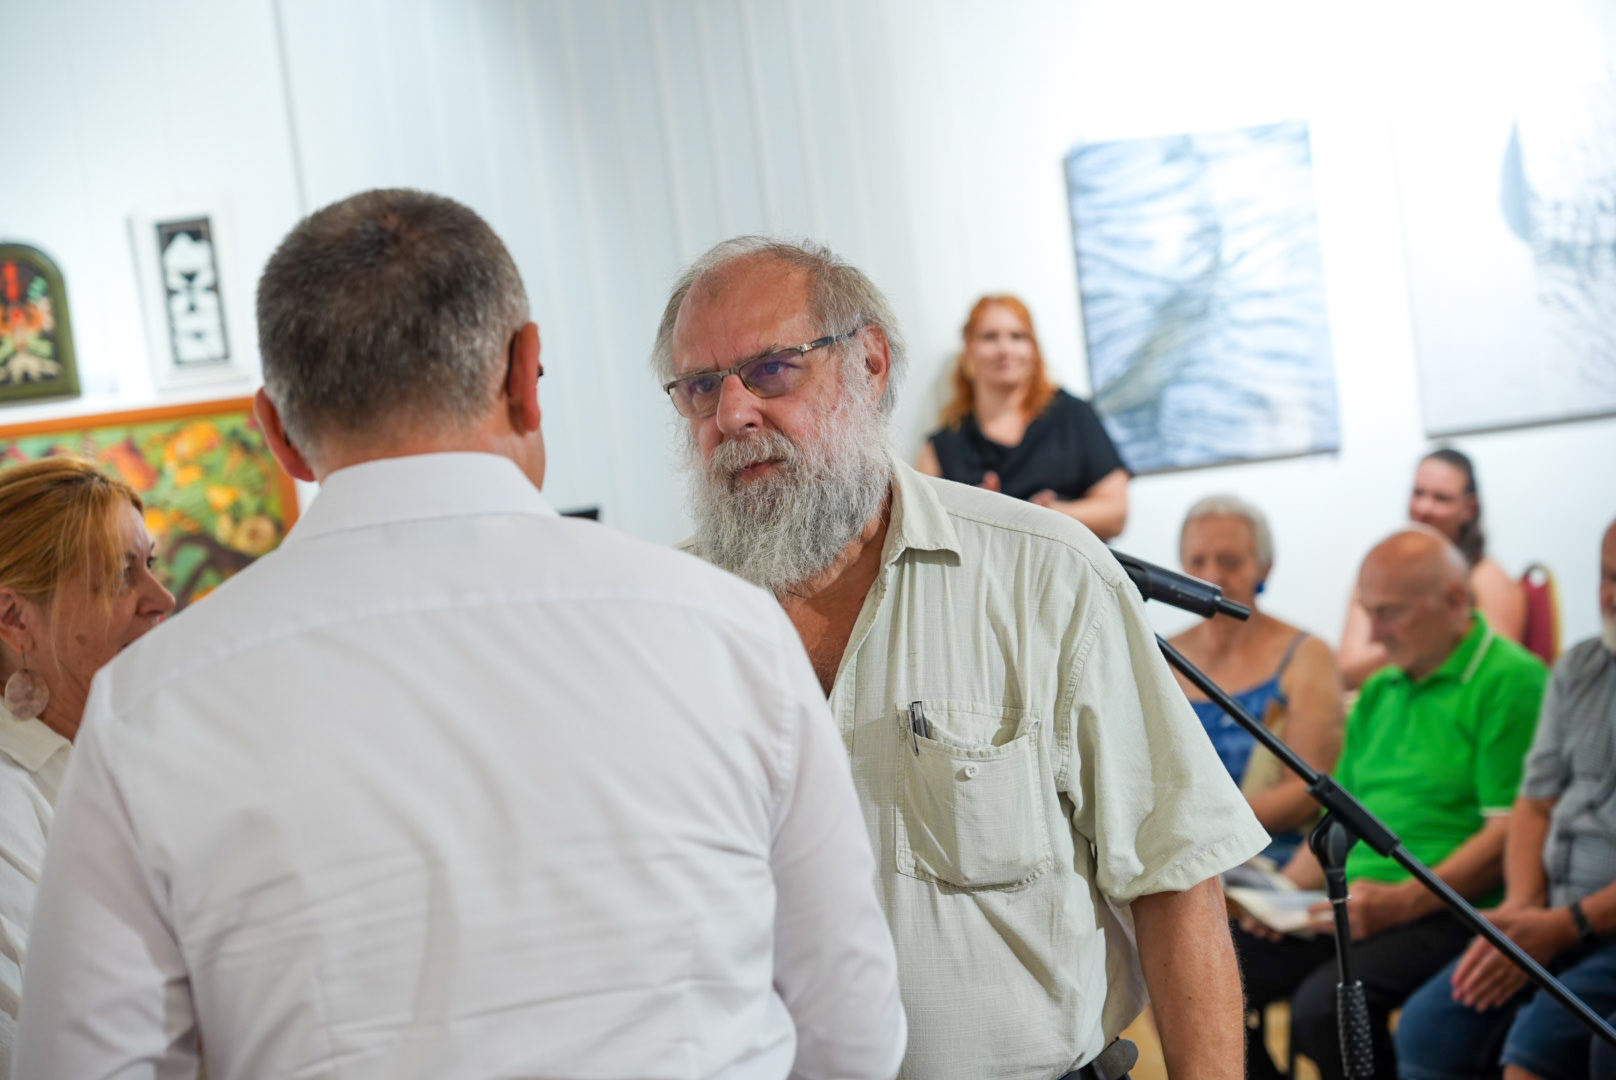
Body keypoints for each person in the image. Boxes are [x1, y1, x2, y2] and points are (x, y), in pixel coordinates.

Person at [18, 191, 905, 1080]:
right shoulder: (729, 636)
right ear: (525, 374)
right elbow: (852, 1033)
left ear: (278, 433)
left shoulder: (152, 707)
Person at [652, 236, 1270, 1080]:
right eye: (699, 387)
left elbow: (1175, 871)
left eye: (771, 370)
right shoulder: (662, 621)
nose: (732, 415)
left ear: (869, 364)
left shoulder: (1046, 574)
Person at [1233, 527, 1549, 1080]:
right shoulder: (1381, 690)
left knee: (1325, 1009)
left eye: (1391, 613)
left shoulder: (1512, 680)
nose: (1373, 632)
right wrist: (1280, 901)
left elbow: (1509, 834)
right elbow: (1341, 819)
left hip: (1449, 907)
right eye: (1368, 611)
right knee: (1217, 972)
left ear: (1455, 600)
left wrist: (1404, 902)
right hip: (1358, 905)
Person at [1394, 519, 1616, 1080]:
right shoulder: (1580, 668)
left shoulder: (1510, 676)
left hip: (1597, 926)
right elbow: (1533, 803)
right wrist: (1521, 910)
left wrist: (1563, 926)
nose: (1611, 596)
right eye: (1607, 577)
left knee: (1537, 1049)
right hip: (1553, 913)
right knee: (1426, 1030)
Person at [0, 458, 174, 1072]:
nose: (162, 599)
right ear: (14, 619)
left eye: (150, 564)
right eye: (120, 576)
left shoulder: (143, 758)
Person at [1167, 494, 1343, 864]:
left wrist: (1202, 833)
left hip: (1271, 862)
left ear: (1265, 568)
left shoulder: (1306, 654)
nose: (1213, 576)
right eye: (1197, 561)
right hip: (1177, 860)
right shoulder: (1160, 655)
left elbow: (1309, 790)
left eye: (1230, 561)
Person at [916, 295, 1129, 540]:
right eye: (989, 337)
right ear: (968, 351)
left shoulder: (1072, 414)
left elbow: (1116, 513)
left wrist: (1050, 515)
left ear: (1034, 349)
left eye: (1017, 336)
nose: (1004, 349)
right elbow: (920, 525)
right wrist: (974, 517)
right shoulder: (943, 446)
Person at [1339, 449, 1526, 689]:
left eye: (1441, 498)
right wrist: (1415, 639)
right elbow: (1346, 670)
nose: (1424, 508)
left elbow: (1498, 671)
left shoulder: (1486, 577)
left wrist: (1419, 636)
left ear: (1469, 508)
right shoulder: (1379, 574)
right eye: (1418, 493)